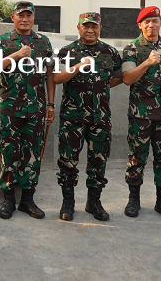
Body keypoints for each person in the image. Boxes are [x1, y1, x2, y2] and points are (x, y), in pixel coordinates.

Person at [0, 1, 55, 220]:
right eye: (20, 15)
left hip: (36, 109)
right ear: (12, 17)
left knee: (32, 154)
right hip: (10, 108)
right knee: (9, 154)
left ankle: (27, 199)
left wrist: (51, 104)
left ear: (33, 18)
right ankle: (8, 199)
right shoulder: (2, 41)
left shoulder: (43, 42)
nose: (25, 19)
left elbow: (50, 76)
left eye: (29, 15)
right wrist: (15, 55)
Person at [53, 12, 122, 222]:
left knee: (98, 161)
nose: (90, 30)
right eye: (86, 26)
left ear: (100, 28)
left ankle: (94, 202)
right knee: (68, 161)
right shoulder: (67, 51)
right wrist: (77, 67)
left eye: (94, 26)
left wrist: (99, 87)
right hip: (73, 116)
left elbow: (118, 77)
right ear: (78, 28)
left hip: (100, 117)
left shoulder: (109, 52)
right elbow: (56, 78)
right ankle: (68, 203)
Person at [121, 6, 161, 221]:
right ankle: (134, 199)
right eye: (147, 22)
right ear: (140, 25)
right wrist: (147, 62)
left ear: (160, 23)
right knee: (137, 158)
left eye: (155, 20)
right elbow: (128, 78)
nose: (151, 25)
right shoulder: (132, 48)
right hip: (141, 113)